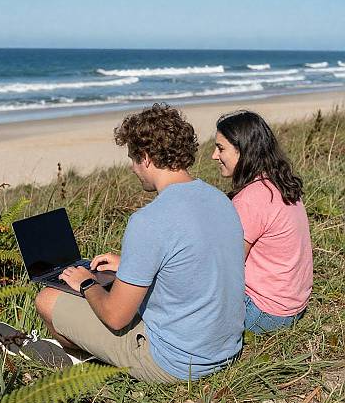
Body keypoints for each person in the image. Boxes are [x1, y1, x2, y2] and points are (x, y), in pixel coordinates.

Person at [30, 103, 245, 382]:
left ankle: (82, 359)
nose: (132, 168)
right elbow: (195, 260)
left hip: (176, 363)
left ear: (145, 158)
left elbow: (116, 317)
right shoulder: (220, 200)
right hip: (225, 349)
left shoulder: (149, 220)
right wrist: (129, 265)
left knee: (47, 299)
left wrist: (86, 282)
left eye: (132, 158)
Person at [212, 110, 313, 334]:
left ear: (244, 150)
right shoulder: (277, 182)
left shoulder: (251, 197)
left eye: (221, 148)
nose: (214, 156)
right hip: (293, 304)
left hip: (266, 313)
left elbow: (228, 267)